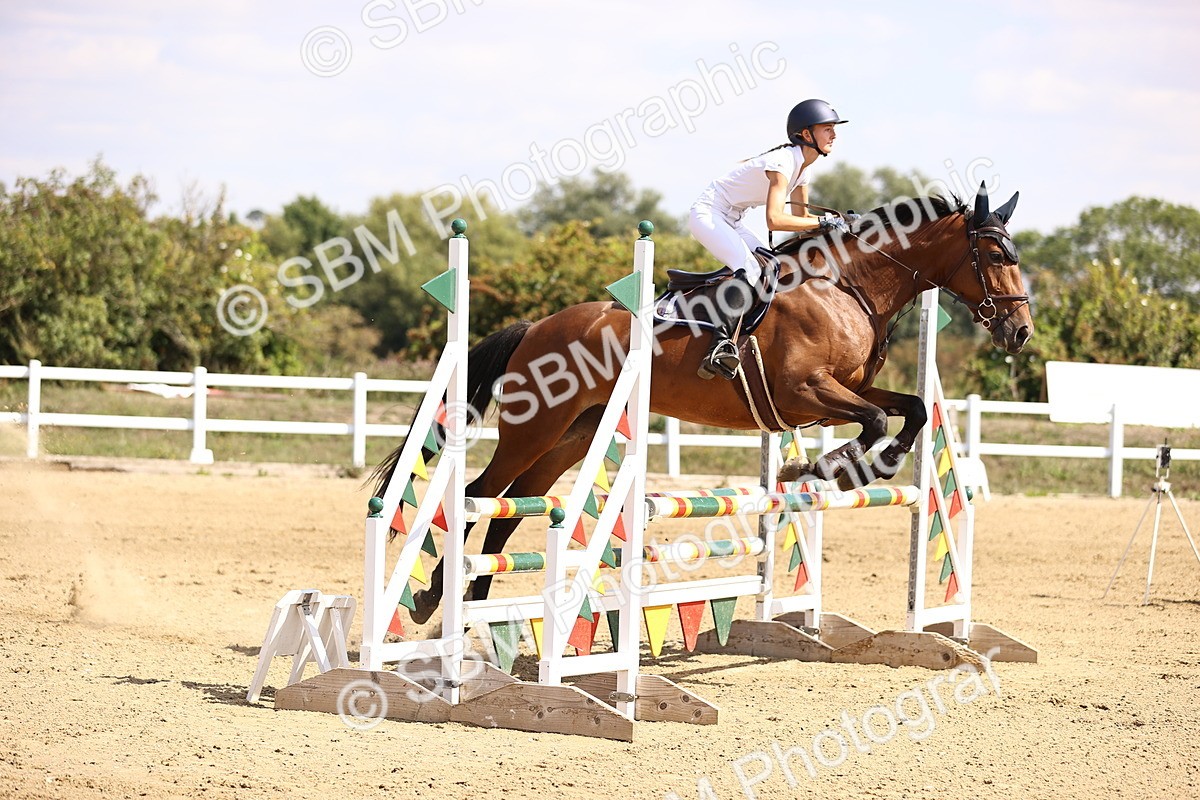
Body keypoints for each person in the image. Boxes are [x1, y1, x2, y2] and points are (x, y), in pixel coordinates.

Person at [689, 99, 849, 379]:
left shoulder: (804, 169)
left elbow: (802, 222)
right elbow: (775, 219)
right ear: (806, 134)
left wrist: (845, 225)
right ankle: (720, 345)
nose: (833, 134)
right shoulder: (783, 162)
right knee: (749, 268)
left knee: (772, 265)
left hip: (733, 218)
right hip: (709, 213)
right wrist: (826, 221)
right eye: (827, 128)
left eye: (833, 128)